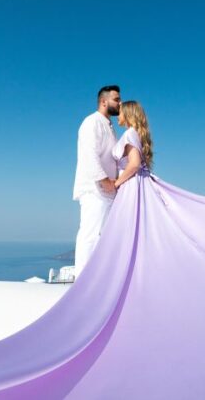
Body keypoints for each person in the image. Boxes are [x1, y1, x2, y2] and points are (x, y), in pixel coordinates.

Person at [72, 85, 121, 278]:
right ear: (103, 101)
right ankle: (82, 284)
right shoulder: (91, 122)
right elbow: (88, 154)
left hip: (107, 191)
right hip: (95, 189)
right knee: (89, 235)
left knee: (102, 238)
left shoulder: (109, 127)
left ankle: (96, 281)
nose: (120, 103)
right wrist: (103, 181)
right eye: (116, 99)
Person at [113, 101, 153, 189]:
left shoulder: (129, 134)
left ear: (128, 114)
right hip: (138, 181)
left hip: (131, 184)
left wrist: (116, 183)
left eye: (119, 112)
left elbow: (135, 163)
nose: (117, 116)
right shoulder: (136, 134)